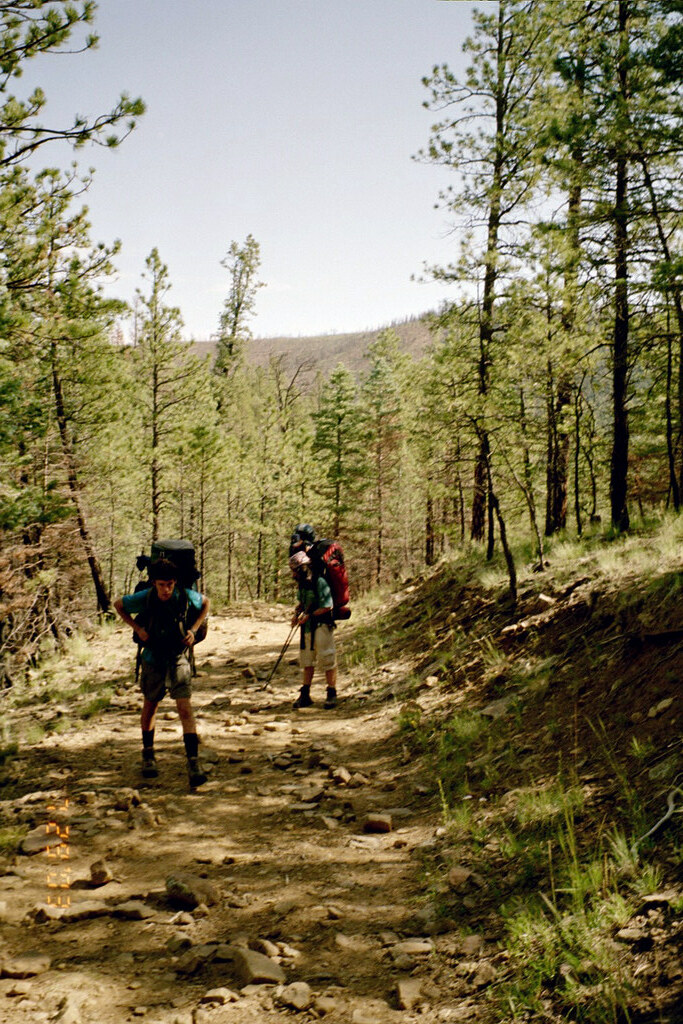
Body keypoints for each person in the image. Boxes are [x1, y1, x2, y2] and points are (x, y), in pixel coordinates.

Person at [113, 558, 210, 787]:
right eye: (161, 585)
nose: (166, 589)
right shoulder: (145, 597)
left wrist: (194, 630)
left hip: (178, 657)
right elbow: (118, 605)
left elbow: (206, 603)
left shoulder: (184, 595)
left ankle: (193, 762)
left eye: (169, 584)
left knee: (184, 708)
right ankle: (148, 755)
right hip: (153, 658)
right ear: (154, 583)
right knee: (151, 705)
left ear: (175, 582)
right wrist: (138, 629)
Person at [289, 550, 338, 710]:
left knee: (327, 658)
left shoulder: (320, 581)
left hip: (322, 626)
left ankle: (331, 693)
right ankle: (305, 695)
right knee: (307, 660)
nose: (293, 574)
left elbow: (327, 606)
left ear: (303, 567)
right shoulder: (303, 583)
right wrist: (297, 614)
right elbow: (302, 604)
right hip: (307, 627)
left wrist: (309, 615)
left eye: (295, 570)